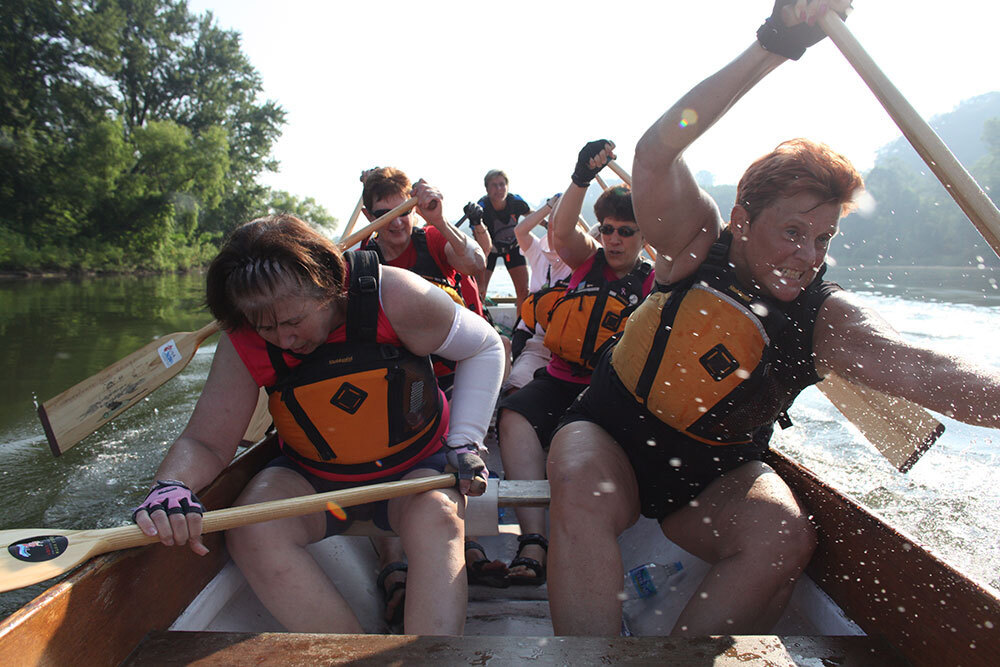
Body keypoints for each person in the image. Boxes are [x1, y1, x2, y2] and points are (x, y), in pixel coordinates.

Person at [545, 0, 1000, 637]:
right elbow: (655, 151)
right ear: (743, 219)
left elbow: (924, 372)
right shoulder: (696, 243)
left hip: (715, 479)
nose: (806, 256)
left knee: (785, 537)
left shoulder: (825, 321)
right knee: (576, 481)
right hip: (613, 437)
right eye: (792, 231)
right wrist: (775, 44)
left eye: (823, 238)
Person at [131, 213, 504, 636]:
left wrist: (466, 443)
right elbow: (206, 442)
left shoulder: (397, 296)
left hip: (415, 466)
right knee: (251, 529)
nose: (282, 340)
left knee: (439, 518)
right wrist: (170, 486)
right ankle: (350, 654)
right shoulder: (243, 337)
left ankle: (427, 656)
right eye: (266, 327)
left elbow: (486, 347)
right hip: (314, 475)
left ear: (330, 284)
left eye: (292, 322)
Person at [496, 141, 654, 585]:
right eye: (608, 229)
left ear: (644, 236)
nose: (615, 239)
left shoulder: (654, 280)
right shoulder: (587, 260)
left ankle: (589, 536)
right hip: (563, 377)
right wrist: (580, 178)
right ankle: (534, 539)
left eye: (626, 230)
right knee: (513, 416)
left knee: (578, 449)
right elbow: (562, 233)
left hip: (612, 391)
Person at [358, 167, 507, 606]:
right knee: (376, 462)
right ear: (369, 215)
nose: (397, 222)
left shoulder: (434, 240)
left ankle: (467, 544)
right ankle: (393, 564)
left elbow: (478, 264)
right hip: (401, 382)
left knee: (454, 457)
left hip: (458, 371)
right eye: (384, 214)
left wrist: (439, 219)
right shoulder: (362, 259)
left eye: (403, 211)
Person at [505, 193, 573, 392]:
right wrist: (549, 206)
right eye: (551, 225)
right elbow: (521, 230)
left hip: (564, 343)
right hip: (532, 337)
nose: (554, 230)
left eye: (561, 225)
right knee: (515, 387)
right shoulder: (538, 253)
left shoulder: (581, 257)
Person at [476, 169, 532, 312]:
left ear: (507, 186)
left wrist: (550, 224)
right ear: (487, 189)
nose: (499, 189)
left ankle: (520, 328)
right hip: (489, 250)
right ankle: (480, 324)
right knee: (479, 291)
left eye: (502, 184)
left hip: (513, 248)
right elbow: (478, 237)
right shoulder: (481, 208)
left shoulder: (516, 202)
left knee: (523, 291)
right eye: (494, 185)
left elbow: (533, 215)